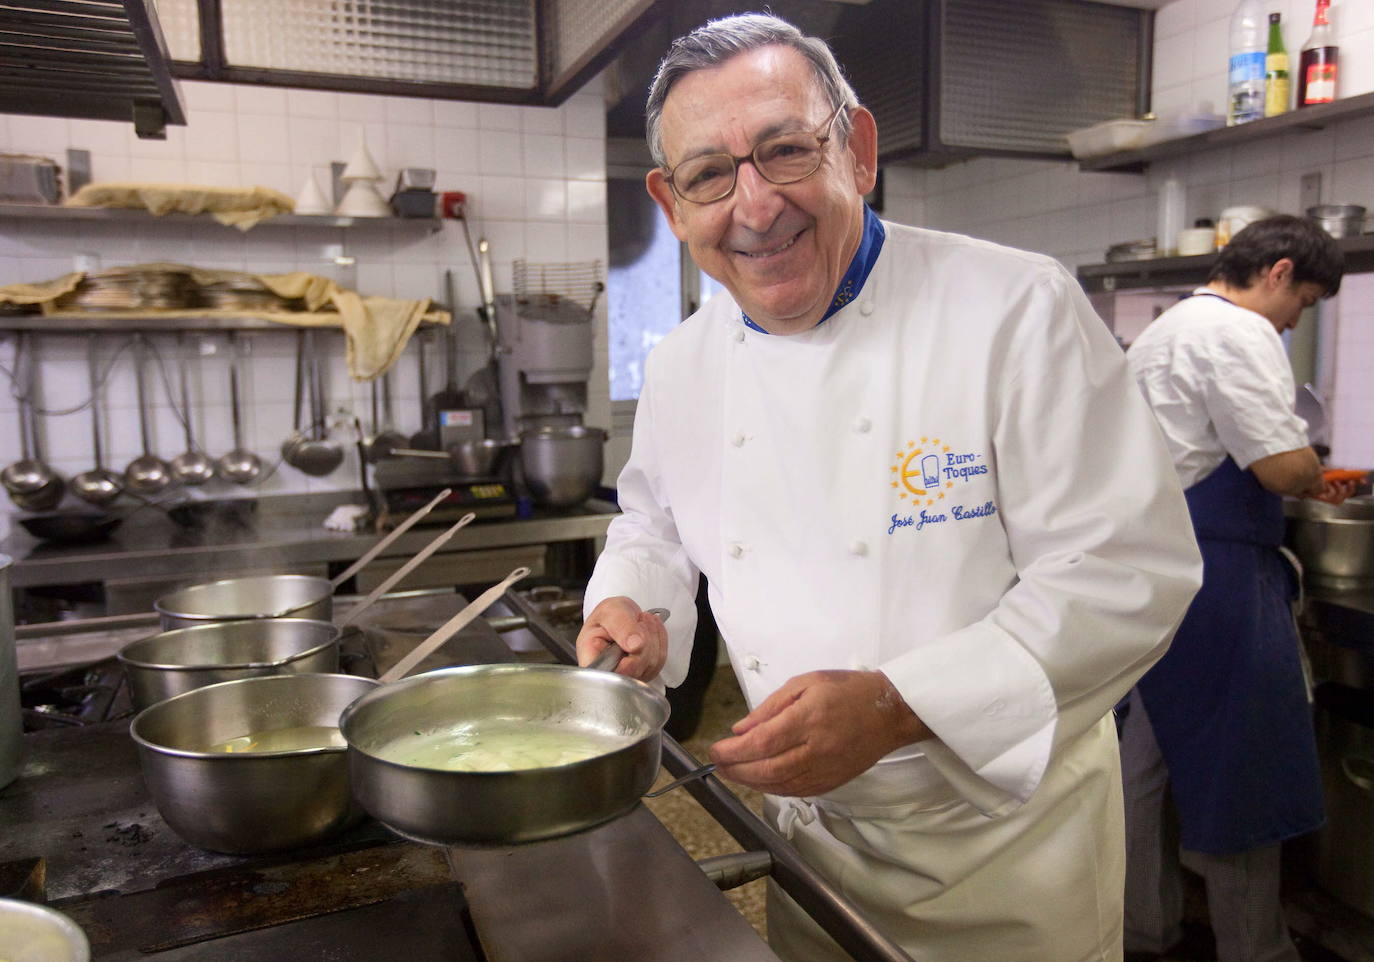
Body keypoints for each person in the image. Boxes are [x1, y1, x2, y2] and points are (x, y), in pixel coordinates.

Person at [574, 13, 1203, 962]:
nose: (753, 205)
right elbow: (654, 524)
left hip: (1005, 866)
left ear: (857, 152)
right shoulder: (683, 364)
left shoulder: (1015, 311)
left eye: (786, 152)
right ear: (672, 204)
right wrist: (634, 602)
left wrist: (899, 705)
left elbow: (1127, 573)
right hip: (809, 858)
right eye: (709, 175)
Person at [1121, 215, 1355, 962]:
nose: (1297, 319)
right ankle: (1256, 949)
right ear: (1280, 272)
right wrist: (1316, 475)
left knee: (1145, 763)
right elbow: (1281, 469)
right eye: (1306, 302)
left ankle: (1141, 929)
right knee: (1237, 766)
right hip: (1214, 574)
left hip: (1153, 565)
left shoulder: (1167, 328)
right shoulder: (1238, 331)